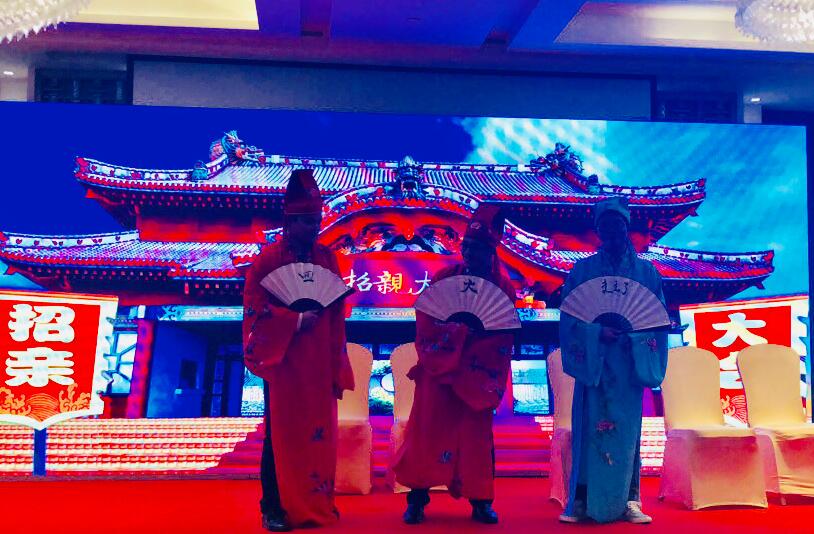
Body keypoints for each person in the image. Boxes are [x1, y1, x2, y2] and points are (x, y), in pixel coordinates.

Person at [242, 168, 354, 532]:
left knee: (319, 434)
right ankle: (273, 507)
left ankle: (317, 502)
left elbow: (335, 310)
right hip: (284, 363)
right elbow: (254, 309)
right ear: (289, 222)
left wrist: (337, 362)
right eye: (307, 221)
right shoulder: (268, 260)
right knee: (279, 436)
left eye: (317, 221)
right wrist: (294, 319)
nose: (314, 228)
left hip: (318, 361)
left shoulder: (327, 259)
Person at [392, 204, 516, 525]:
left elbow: (502, 336)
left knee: (476, 439)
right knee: (426, 434)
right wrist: (459, 333)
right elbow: (426, 322)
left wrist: (469, 347)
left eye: (478, 248)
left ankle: (481, 501)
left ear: (491, 252)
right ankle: (416, 500)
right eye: (467, 246)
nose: (470, 253)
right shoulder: (444, 279)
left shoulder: (503, 288)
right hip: (439, 374)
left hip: (476, 377)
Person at [558, 197, 668, 524]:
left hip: (628, 365)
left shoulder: (647, 274)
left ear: (626, 227)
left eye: (617, 225)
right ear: (598, 231)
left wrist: (633, 337)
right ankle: (580, 499)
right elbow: (570, 319)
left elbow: (656, 322)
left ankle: (630, 499)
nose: (612, 231)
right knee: (587, 431)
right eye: (605, 226)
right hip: (594, 367)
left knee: (626, 432)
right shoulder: (583, 271)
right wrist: (595, 333)